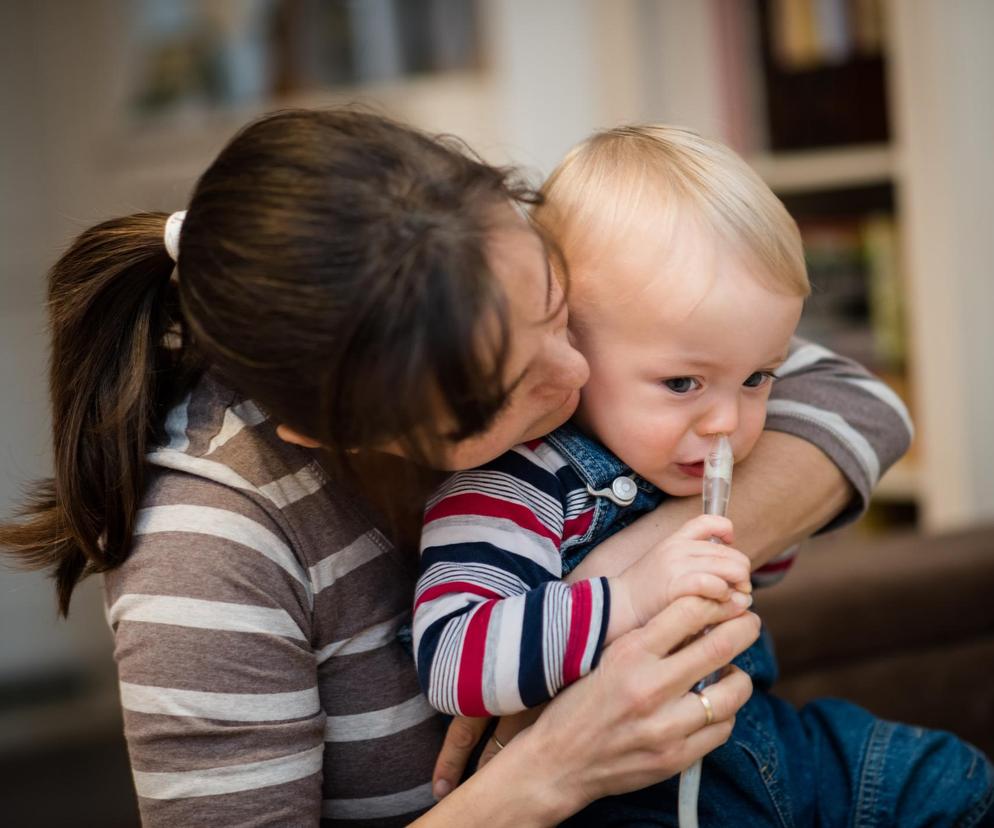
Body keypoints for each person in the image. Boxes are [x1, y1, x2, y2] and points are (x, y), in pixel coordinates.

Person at [0, 109, 949, 827]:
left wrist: (639, 567)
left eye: (557, 309)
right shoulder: (208, 552)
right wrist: (547, 773)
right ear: (327, 432)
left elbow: (859, 404)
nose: (574, 377)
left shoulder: (489, 262)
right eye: (502, 396)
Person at [414, 125, 994, 826]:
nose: (729, 422)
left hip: (766, 746)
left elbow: (775, 553)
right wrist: (632, 593)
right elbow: (452, 661)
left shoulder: (675, 455)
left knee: (952, 781)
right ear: (568, 340)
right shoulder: (512, 486)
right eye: (684, 382)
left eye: (757, 378)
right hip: (626, 798)